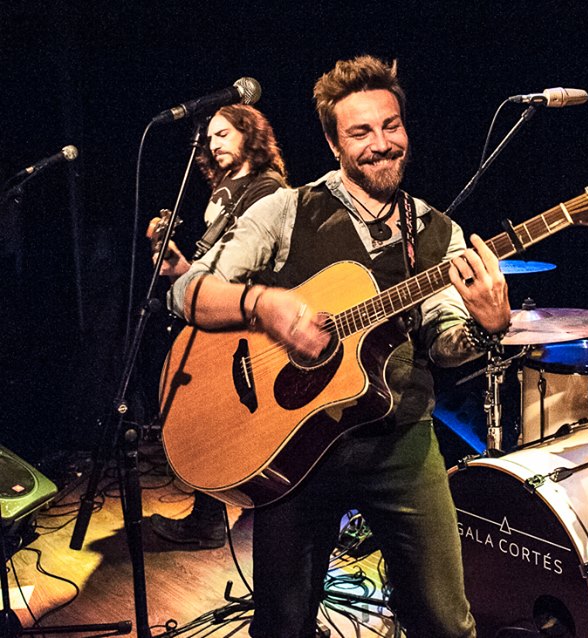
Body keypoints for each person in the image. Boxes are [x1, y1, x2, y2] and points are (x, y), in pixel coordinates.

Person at [168, 55, 509, 637]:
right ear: (333, 143)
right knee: (282, 625)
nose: (381, 144)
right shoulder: (285, 210)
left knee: (446, 623)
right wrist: (265, 306)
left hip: (399, 440)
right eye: (361, 132)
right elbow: (186, 291)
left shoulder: (439, 233)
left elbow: (445, 343)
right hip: (293, 448)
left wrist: (486, 325)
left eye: (391, 126)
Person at [148, 104, 288, 549]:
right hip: (222, 317)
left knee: (223, 416)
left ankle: (216, 518)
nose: (214, 143)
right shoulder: (226, 191)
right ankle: (209, 516)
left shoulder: (267, 190)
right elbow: (213, 269)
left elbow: (253, 267)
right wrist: (179, 267)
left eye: (224, 133)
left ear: (250, 134)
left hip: (247, 323)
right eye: (210, 138)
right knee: (209, 412)